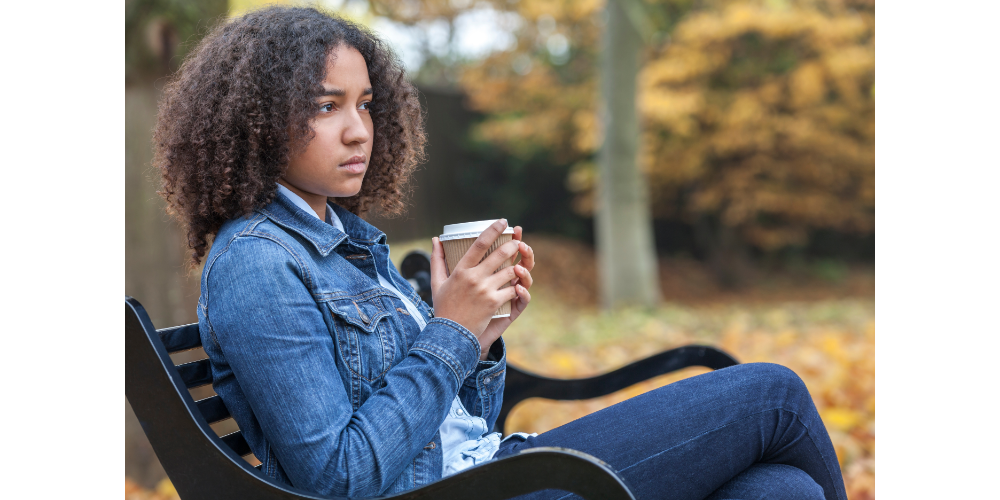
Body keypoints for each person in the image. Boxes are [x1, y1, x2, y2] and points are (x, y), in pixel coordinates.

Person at [153, 6, 847, 500]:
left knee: (778, 489)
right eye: (327, 105)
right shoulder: (257, 263)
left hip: (489, 472)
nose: (358, 130)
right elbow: (339, 477)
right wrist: (450, 331)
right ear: (257, 119)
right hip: (482, 490)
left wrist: (480, 339)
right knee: (774, 395)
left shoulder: (346, 246)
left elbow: (457, 429)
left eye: (366, 104)